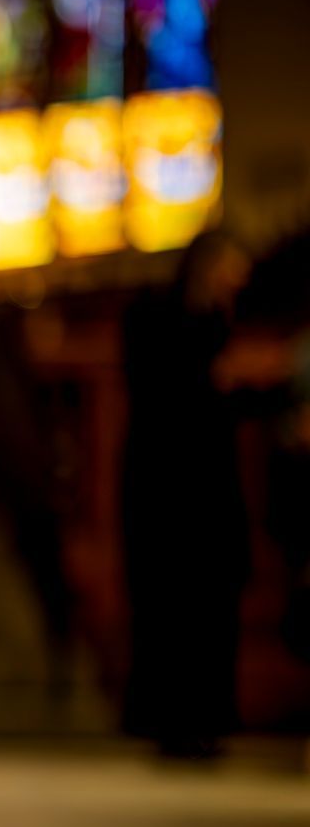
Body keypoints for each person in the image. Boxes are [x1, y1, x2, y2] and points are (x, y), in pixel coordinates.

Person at [119, 231, 254, 759]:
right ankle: (169, 723)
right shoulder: (155, 315)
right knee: (167, 603)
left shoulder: (221, 322)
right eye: (232, 267)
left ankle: (209, 721)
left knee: (212, 603)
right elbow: (157, 393)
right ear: (209, 266)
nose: (238, 280)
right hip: (164, 486)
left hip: (210, 487)